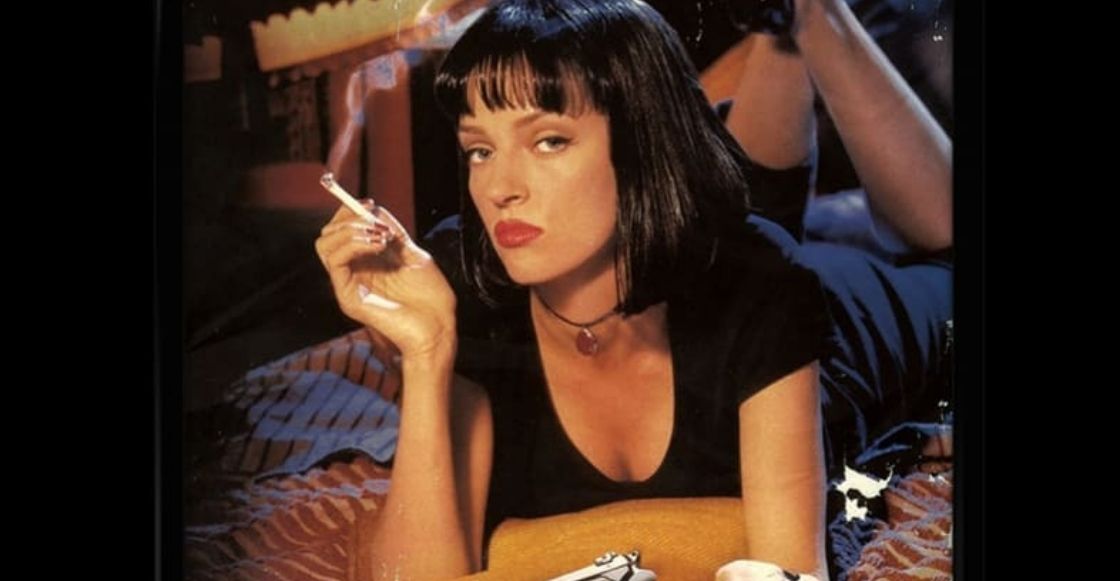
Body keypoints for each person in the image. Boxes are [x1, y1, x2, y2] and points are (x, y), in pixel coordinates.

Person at [312, 0, 951, 578]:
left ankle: (812, 14)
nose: (500, 188)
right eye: (480, 150)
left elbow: (786, 568)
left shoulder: (764, 287)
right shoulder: (466, 284)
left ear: (644, 148)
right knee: (743, 210)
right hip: (704, 249)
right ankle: (778, 23)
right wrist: (427, 354)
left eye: (549, 141)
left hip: (843, 321)